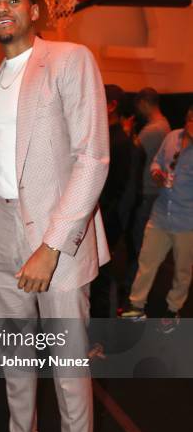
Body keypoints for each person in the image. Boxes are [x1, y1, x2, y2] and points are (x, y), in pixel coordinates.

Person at [0, 0, 109, 432]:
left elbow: (92, 158)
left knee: (68, 365)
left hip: (56, 235)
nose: (2, 9)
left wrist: (52, 245)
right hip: (0, 228)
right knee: (13, 346)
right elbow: (11, 159)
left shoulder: (70, 58)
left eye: (12, 0)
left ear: (34, 9)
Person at [120, 105, 193, 333]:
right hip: (160, 214)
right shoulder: (172, 137)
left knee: (182, 271)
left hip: (187, 221)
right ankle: (136, 306)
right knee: (146, 262)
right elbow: (157, 161)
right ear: (187, 118)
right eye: (192, 120)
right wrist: (156, 172)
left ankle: (173, 310)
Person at [90, 84, 141, 317]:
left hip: (105, 217)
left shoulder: (119, 140)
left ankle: (98, 334)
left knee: (100, 275)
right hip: (96, 215)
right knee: (93, 274)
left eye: (101, 99)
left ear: (112, 106)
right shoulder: (103, 134)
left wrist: (108, 220)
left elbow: (117, 188)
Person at [126, 87, 170, 287]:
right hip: (154, 190)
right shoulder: (165, 125)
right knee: (143, 241)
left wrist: (127, 131)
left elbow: (133, 151)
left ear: (144, 103)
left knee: (139, 243)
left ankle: (133, 287)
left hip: (147, 190)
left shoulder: (154, 129)